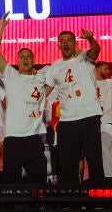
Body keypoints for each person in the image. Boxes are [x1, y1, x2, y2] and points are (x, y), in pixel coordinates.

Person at [0, 12, 47, 183]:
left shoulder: (42, 77)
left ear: (33, 61)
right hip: (13, 139)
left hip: (34, 139)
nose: (25, 59)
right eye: (21, 56)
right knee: (11, 184)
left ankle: (40, 210)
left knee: (39, 183)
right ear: (17, 61)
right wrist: (1, 27)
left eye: (28, 56)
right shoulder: (10, 75)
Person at [44, 29, 104, 184]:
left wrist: (91, 39)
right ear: (58, 45)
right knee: (68, 166)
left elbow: (96, 51)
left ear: (75, 43)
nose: (65, 43)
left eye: (69, 40)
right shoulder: (54, 67)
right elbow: (45, 91)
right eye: (62, 40)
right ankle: (71, 204)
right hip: (67, 121)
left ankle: (99, 204)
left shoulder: (84, 58)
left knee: (95, 161)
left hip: (89, 117)